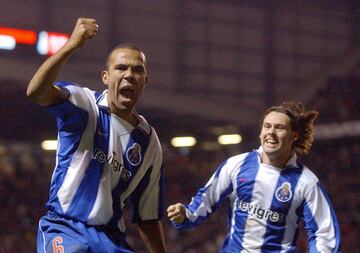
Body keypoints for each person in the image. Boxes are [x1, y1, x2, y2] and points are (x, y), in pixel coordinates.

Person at [27, 17, 166, 253]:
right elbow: (37, 92)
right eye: (121, 68)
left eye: (137, 70)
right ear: (106, 77)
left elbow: (148, 218)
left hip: (110, 241)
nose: (129, 75)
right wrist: (71, 45)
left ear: (145, 81)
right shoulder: (84, 105)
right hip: (65, 229)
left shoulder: (149, 143)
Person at [167, 101, 341, 252]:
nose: (271, 132)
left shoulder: (306, 182)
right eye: (267, 126)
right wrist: (185, 214)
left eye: (279, 127)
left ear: (294, 135)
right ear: (260, 133)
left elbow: (324, 235)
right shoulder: (236, 165)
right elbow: (205, 201)